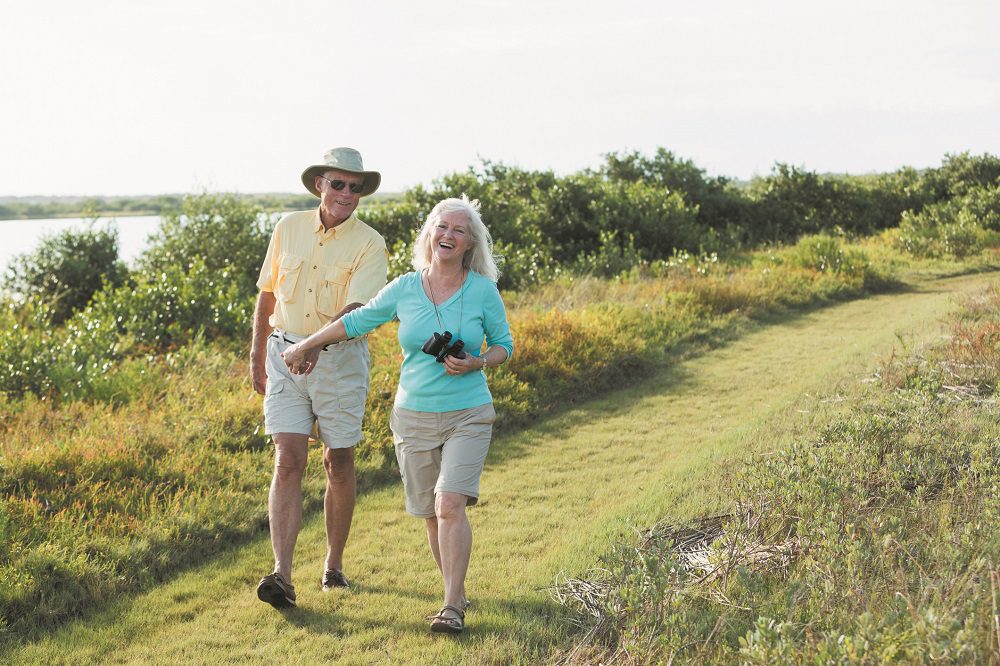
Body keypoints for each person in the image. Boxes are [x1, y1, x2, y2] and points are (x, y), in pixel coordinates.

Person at [281, 195, 513, 634]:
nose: (448, 235)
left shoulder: (483, 290)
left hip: (468, 412)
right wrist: (307, 344)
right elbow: (356, 321)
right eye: (442, 226)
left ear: (470, 243)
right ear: (430, 234)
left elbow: (505, 345)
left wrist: (478, 361)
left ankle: (452, 607)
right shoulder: (406, 287)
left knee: (449, 504)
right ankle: (456, 591)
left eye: (459, 230)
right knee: (431, 512)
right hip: (413, 417)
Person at [251, 147, 388, 609]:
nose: (346, 193)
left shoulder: (370, 243)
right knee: (287, 459)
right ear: (319, 185)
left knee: (338, 461)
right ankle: (282, 575)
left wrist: (313, 345)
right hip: (283, 355)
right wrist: (256, 354)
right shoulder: (287, 227)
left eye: (355, 187)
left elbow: (357, 310)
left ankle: (333, 565)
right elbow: (267, 294)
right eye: (338, 184)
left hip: (339, 360)